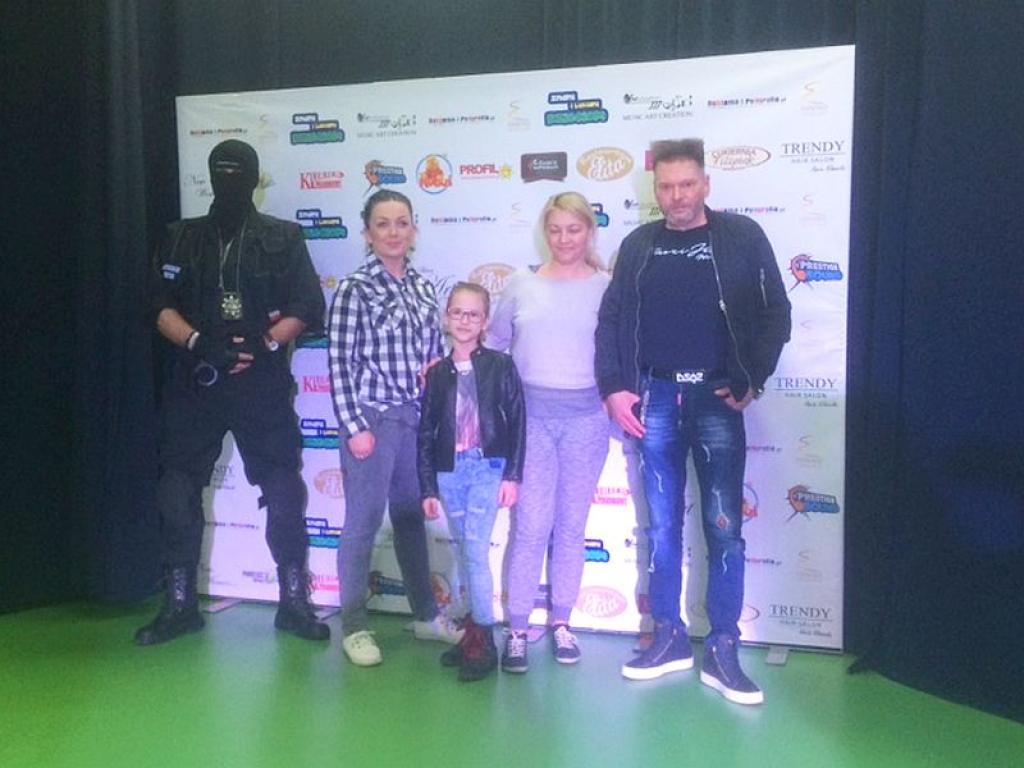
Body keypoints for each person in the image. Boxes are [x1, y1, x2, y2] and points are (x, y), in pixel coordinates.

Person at [595, 138, 791, 705]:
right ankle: (669, 637)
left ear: (706, 184)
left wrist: (753, 377)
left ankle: (723, 646)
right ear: (655, 190)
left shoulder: (742, 236)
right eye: (666, 187)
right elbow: (611, 319)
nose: (677, 196)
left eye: (687, 185)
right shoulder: (639, 244)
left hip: (716, 399)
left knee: (724, 527)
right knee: (661, 528)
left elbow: (777, 311)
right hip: (654, 399)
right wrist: (613, 388)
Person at [137, 139, 329, 646]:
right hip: (195, 380)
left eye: (238, 171)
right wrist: (200, 343)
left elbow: (307, 305)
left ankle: (294, 602)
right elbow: (157, 305)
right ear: (209, 176)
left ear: (254, 178)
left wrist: (265, 344)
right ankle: (179, 604)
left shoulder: (283, 237)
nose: (229, 180)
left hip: (260, 383)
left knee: (283, 487)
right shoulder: (179, 237)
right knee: (175, 489)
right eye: (221, 171)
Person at [328, 189, 462, 666]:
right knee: (362, 523)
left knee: (409, 518)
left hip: (413, 419)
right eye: (382, 224)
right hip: (371, 419)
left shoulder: (423, 287)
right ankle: (354, 626)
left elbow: (433, 358)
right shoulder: (354, 288)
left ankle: (425, 615)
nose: (393, 232)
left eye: (401, 222)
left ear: (414, 229)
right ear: (367, 233)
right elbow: (339, 363)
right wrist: (354, 427)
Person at [487, 191, 611, 673]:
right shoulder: (521, 283)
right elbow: (495, 344)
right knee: (532, 525)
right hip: (530, 423)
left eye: (573, 229)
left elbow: (619, 351)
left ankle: (562, 623)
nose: (564, 239)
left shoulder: (606, 287)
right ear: (545, 232)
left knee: (572, 527)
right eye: (555, 230)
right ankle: (518, 629)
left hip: (587, 421)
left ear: (589, 231)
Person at [417, 282, 526, 682]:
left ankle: (485, 641)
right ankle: (470, 635)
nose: (464, 321)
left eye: (473, 314)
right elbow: (426, 432)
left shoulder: (500, 365)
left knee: (477, 551)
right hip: (450, 471)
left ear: (485, 322)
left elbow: (518, 421)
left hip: (487, 467)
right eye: (457, 312)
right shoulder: (437, 373)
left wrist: (512, 474)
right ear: (446, 317)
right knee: (465, 550)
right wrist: (428, 486)